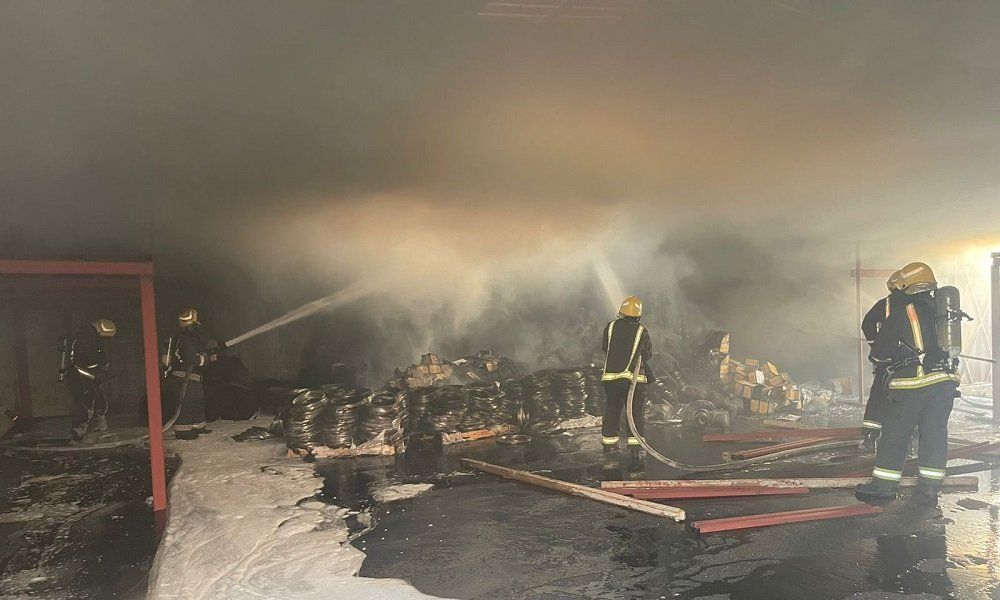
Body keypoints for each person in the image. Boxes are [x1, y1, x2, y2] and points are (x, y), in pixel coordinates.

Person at [856, 262, 961, 503]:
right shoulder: (943, 311)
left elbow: (879, 355)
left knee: (896, 434)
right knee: (934, 435)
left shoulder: (903, 312)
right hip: (945, 383)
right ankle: (930, 488)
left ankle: (883, 487)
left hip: (912, 384)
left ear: (906, 286)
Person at [600, 295, 654, 462]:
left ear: (621, 312)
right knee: (635, 413)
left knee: (612, 410)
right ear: (638, 315)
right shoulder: (641, 331)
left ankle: (609, 446)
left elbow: (605, 348)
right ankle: (636, 449)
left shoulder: (610, 327)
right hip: (634, 381)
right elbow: (647, 354)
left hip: (611, 379)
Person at [858, 270, 904, 451]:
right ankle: (910, 437)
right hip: (912, 362)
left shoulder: (885, 303)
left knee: (878, 396)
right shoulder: (919, 304)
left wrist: (876, 344)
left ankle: (870, 438)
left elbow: (867, 324)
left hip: (887, 361)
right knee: (910, 399)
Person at [61, 319, 116, 442]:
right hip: (80, 376)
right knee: (84, 403)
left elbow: (97, 355)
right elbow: (89, 358)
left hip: (87, 376)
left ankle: (98, 427)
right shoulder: (87, 337)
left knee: (96, 399)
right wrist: (101, 368)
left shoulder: (91, 336)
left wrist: (102, 366)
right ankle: (79, 433)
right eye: (105, 337)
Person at [163, 308, 214, 439]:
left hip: (192, 376)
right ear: (193, 323)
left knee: (197, 400)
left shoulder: (186, 338)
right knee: (186, 403)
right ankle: (183, 431)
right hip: (184, 376)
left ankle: (198, 426)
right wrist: (207, 359)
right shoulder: (186, 338)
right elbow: (192, 359)